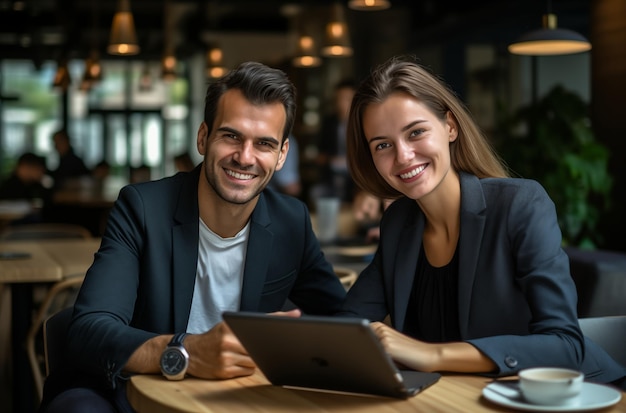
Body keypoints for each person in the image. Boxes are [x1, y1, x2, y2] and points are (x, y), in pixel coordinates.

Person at [40, 61, 347, 413]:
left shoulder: (290, 220)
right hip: (130, 395)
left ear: (281, 155)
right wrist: (185, 351)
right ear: (203, 137)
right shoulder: (142, 208)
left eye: (264, 143)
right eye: (231, 136)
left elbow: (344, 319)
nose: (245, 157)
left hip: (233, 401)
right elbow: (90, 331)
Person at [340, 57, 626, 387]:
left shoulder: (520, 204)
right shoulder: (399, 223)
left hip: (579, 397)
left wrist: (431, 354)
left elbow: (565, 345)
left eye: (416, 132)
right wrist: (287, 333)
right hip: (467, 398)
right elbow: (350, 323)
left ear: (450, 126)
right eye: (383, 145)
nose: (402, 156)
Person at [314, 79, 356, 202]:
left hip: (355, 172)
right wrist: (328, 159)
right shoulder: (329, 122)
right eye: (339, 99)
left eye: (346, 99)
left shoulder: (361, 123)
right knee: (317, 192)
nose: (342, 103)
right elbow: (321, 154)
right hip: (332, 172)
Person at [0, 152, 52, 223]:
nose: (39, 172)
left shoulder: (32, 185)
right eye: (36, 168)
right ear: (24, 166)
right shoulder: (10, 186)